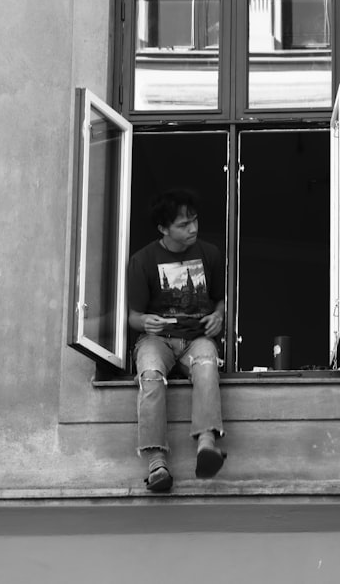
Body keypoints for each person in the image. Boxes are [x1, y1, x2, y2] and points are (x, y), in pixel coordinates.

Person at [128, 189, 227, 492]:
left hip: (196, 338)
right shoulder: (142, 260)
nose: (193, 229)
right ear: (163, 228)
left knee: (207, 364)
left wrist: (219, 317)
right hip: (157, 340)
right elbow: (132, 316)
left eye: (195, 221)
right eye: (184, 225)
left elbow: (220, 301)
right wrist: (144, 321)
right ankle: (157, 462)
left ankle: (207, 444)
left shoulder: (209, 254)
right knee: (150, 374)